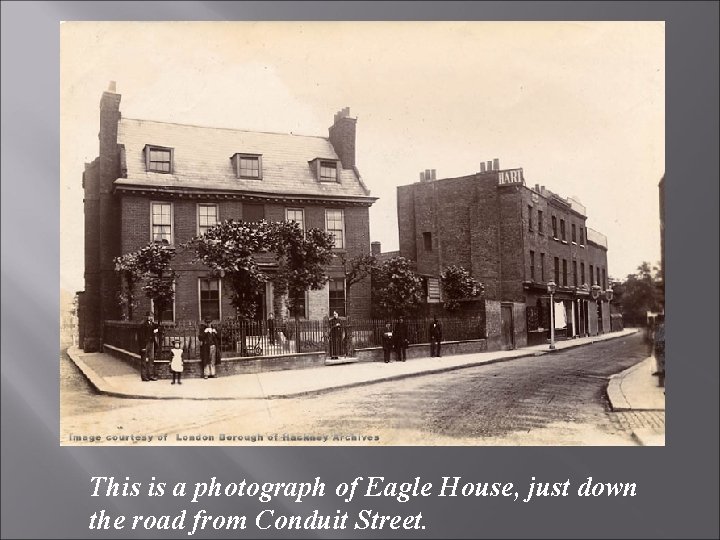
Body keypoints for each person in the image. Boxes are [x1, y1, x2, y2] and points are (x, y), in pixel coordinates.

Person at [138, 311, 159, 381]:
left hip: (151, 343)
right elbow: (140, 337)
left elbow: (155, 331)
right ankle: (144, 376)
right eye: (149, 316)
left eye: (152, 316)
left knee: (151, 359)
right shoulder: (143, 325)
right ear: (146, 317)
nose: (150, 317)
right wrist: (142, 347)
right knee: (143, 360)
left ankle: (150, 375)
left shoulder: (153, 324)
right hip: (145, 344)